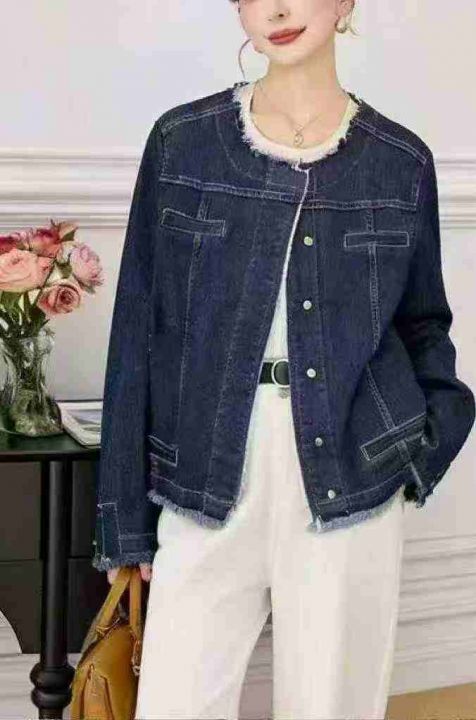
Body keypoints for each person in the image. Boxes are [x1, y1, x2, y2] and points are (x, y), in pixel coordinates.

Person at [92, 1, 475, 718]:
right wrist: (124, 523)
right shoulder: (183, 143)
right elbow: (138, 331)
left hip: (351, 475)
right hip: (203, 474)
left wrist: (418, 456)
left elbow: (425, 324)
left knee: (331, 706)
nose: (275, 9)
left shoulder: (400, 161)